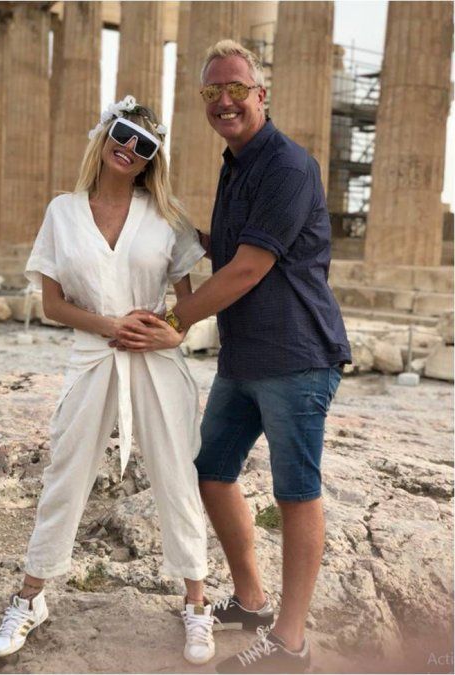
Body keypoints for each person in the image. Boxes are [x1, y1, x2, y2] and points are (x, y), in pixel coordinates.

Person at [115, 42, 352, 674]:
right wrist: (156, 227)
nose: (224, 100)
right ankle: (251, 602)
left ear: (260, 94)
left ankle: (291, 643)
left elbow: (248, 266)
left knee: (296, 492)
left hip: (297, 356)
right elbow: (225, 246)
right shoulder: (235, 163)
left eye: (237, 88)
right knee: (212, 472)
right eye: (212, 91)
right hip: (244, 357)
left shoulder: (288, 166)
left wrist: (173, 322)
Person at [0, 96, 215, 666]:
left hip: (156, 363)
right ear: (104, 137)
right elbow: (52, 304)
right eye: (122, 135)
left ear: (152, 158)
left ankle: (197, 602)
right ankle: (30, 597)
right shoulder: (62, 212)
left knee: (177, 475)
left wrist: (171, 334)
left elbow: (186, 305)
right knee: (65, 474)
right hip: (92, 357)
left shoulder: (167, 216)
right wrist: (110, 325)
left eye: (145, 145)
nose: (130, 149)